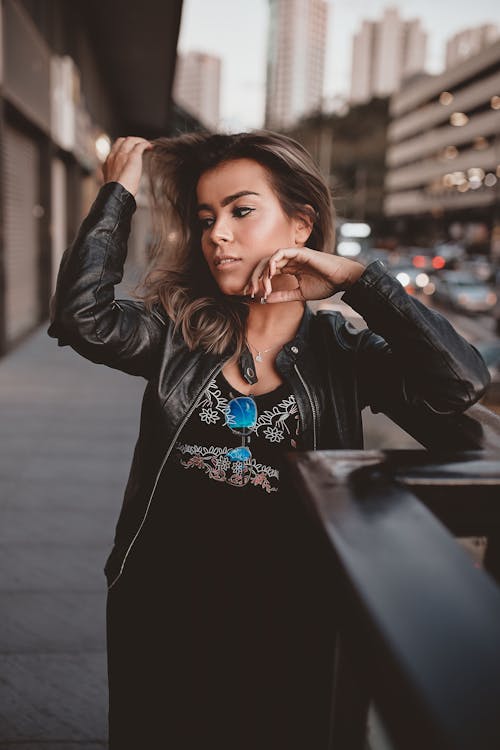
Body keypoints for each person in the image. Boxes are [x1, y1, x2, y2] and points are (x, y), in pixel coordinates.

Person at [47, 131, 490, 749]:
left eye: (241, 210)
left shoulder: (346, 354)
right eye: (206, 219)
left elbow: (461, 381)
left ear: (301, 223)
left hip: (289, 616)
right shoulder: (177, 334)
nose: (217, 235)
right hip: (164, 610)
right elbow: (80, 317)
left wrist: (359, 281)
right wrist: (118, 191)